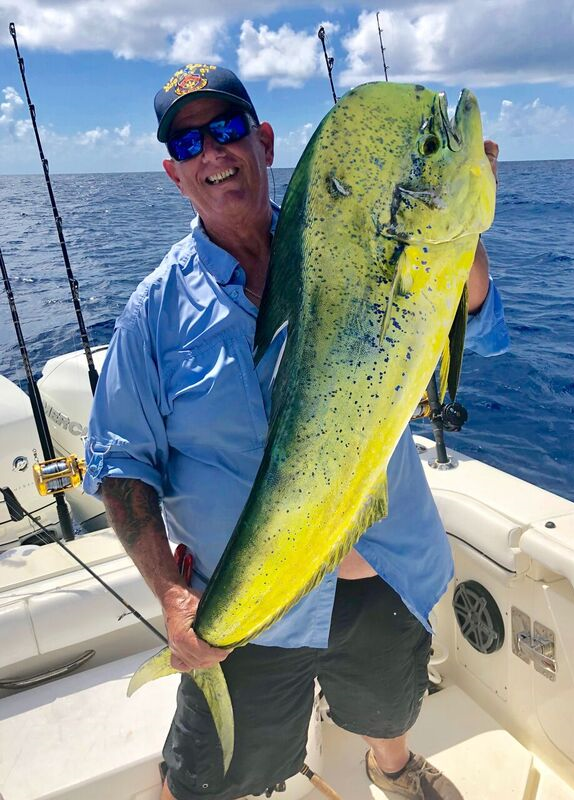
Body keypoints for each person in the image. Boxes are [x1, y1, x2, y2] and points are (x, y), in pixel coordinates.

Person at [83, 63, 509, 800]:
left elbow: (478, 322)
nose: (212, 152)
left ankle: (392, 767)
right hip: (254, 607)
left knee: (390, 707)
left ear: (266, 142)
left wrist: (460, 228)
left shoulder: (363, 239)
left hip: (382, 573)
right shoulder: (152, 314)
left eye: (227, 128)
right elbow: (122, 467)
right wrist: (172, 598)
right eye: (188, 144)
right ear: (173, 173)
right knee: (207, 776)